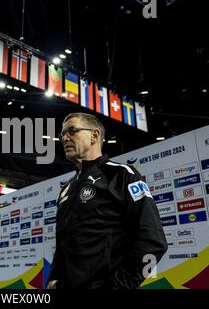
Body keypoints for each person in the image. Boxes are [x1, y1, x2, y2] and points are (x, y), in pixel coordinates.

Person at [47, 112, 167, 289]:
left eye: (72, 131)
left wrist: (117, 286)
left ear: (94, 135)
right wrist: (53, 279)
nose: (65, 138)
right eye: (62, 134)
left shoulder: (122, 174)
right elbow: (63, 242)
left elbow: (153, 241)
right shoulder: (66, 189)